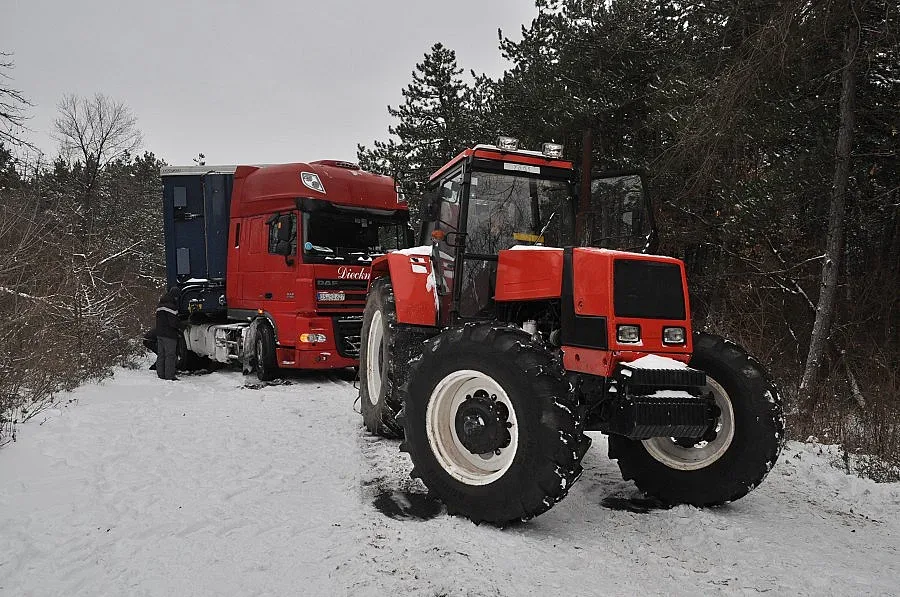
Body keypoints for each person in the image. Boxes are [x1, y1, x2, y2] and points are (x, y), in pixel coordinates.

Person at [155, 287, 181, 380]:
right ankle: (169, 376)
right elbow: (173, 322)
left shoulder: (160, 305)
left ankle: (161, 374)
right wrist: (181, 326)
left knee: (161, 355)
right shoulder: (171, 307)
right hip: (169, 334)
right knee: (170, 355)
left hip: (159, 333)